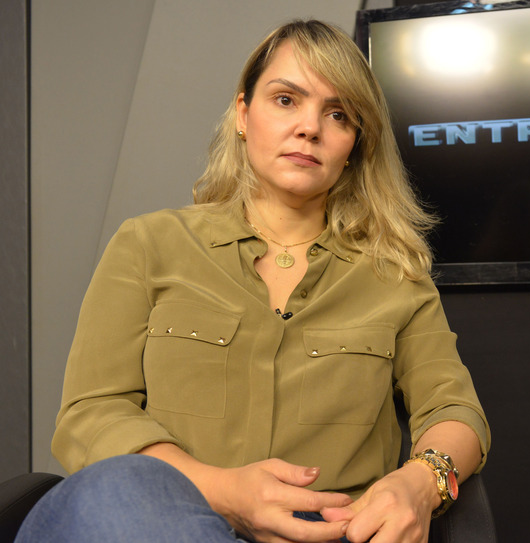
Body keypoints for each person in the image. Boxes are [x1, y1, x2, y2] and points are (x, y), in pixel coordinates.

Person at [16, 19, 489, 543]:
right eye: (286, 100)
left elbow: (454, 410)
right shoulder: (149, 243)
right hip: (162, 517)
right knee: (110, 492)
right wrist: (222, 492)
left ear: (354, 143)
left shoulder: (395, 273)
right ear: (243, 114)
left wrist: (421, 482)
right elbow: (91, 412)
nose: (310, 128)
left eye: (338, 115)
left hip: (328, 532)